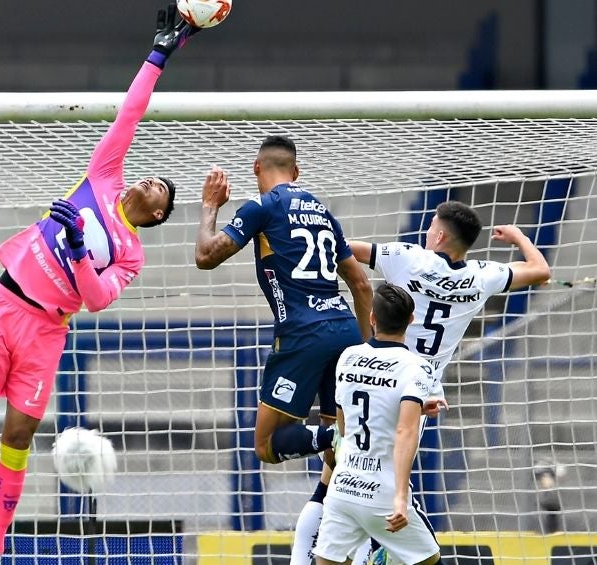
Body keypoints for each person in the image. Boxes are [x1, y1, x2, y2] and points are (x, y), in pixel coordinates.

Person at [0, 6, 203, 565]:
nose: (152, 182)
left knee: (15, 439)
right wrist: (159, 54)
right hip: (4, 301)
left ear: (158, 216)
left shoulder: (130, 253)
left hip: (45, 330)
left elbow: (96, 299)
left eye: (162, 191)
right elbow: (129, 114)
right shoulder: (103, 177)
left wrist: (82, 252)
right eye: (153, 176)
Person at [291, 200, 552, 564]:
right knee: (372, 484)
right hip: (416, 390)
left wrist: (302, 230)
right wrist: (519, 236)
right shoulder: (481, 276)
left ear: (440, 234)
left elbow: (341, 249)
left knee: (336, 480)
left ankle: (332, 554)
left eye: (431, 226)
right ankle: (376, 547)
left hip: (369, 373)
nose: (428, 231)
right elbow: (541, 271)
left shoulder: (408, 258)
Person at [195, 136, 373, 468]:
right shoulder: (323, 213)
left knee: (265, 445)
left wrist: (209, 205)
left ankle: (332, 438)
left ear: (255, 168)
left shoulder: (261, 207)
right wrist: (367, 348)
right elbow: (361, 284)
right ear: (297, 171)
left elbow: (205, 256)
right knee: (337, 462)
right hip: (345, 330)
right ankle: (338, 471)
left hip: (302, 334)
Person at [313, 283, 441, 565]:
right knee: (429, 560)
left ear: (372, 318)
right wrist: (398, 498)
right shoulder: (416, 366)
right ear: (411, 319)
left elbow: (344, 427)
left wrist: (414, 409)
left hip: (344, 487)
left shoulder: (348, 357)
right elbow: (404, 431)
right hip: (382, 493)